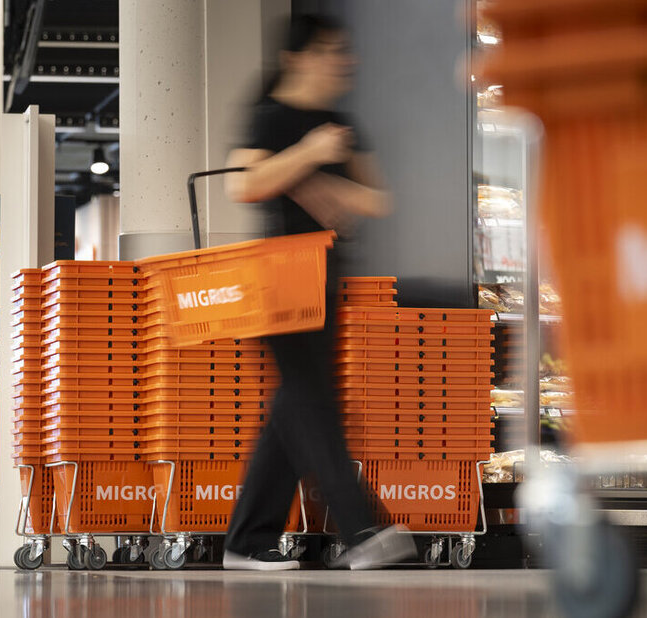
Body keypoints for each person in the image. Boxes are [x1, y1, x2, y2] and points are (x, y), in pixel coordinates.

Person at [220, 14, 414, 571]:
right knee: (311, 402)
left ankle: (247, 539)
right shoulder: (271, 118)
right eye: (332, 51)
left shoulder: (338, 121)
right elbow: (243, 183)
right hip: (278, 282)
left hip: (325, 280)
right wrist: (308, 156)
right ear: (297, 57)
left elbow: (379, 200)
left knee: (296, 406)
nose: (344, 62)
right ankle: (362, 529)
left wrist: (324, 179)